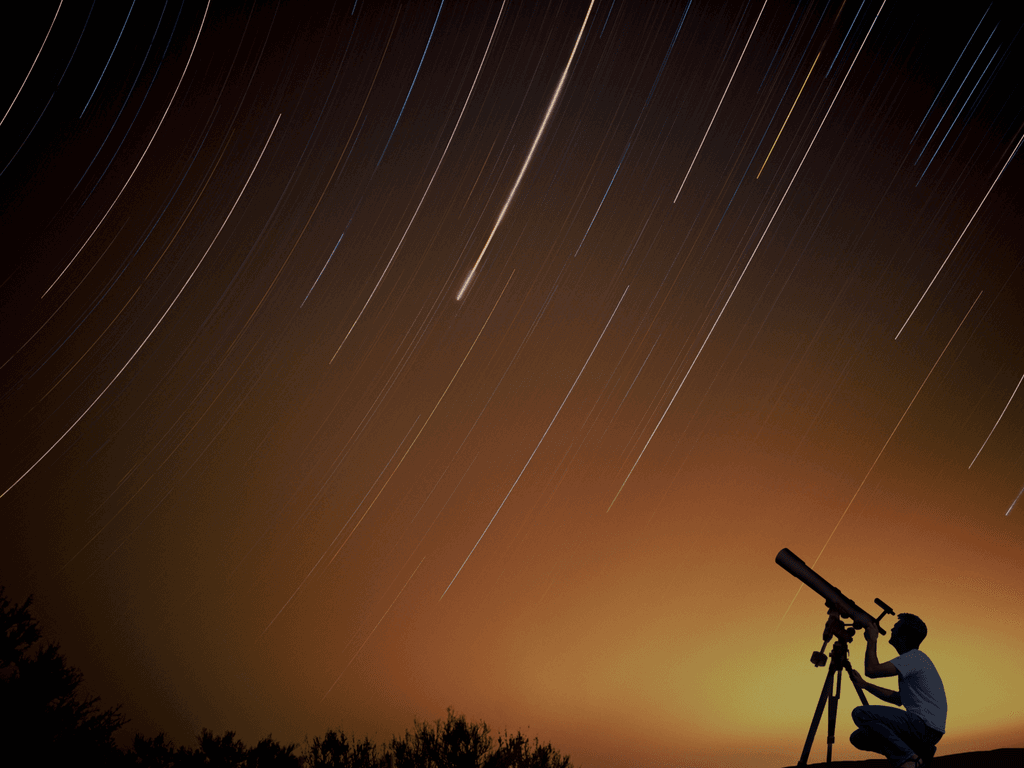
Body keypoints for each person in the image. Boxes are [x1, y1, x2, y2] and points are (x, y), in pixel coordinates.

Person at [847, 613, 946, 768]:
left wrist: (872, 640)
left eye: (896, 627)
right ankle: (918, 753)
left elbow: (872, 669)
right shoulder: (912, 661)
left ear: (905, 635)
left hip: (924, 727)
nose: (892, 628)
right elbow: (898, 699)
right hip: (924, 729)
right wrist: (865, 685)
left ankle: (909, 759)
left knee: (860, 713)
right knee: (859, 737)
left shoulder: (915, 657)